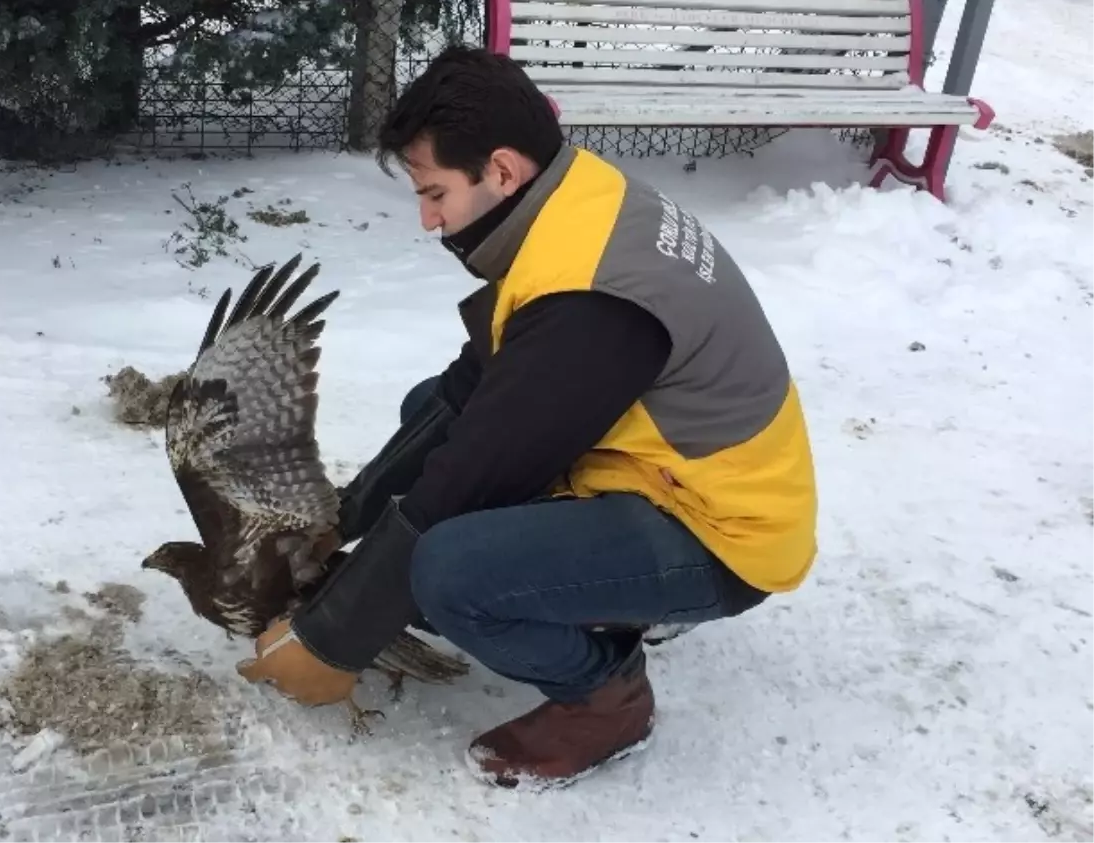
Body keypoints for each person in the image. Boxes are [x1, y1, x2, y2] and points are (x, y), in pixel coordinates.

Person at [236, 45, 819, 790]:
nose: (427, 219)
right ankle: (599, 599)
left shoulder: (593, 304)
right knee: (430, 412)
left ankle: (606, 699)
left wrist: (330, 638)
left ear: (502, 171)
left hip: (720, 532)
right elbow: (471, 389)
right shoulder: (577, 201)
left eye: (435, 193)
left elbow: (473, 476)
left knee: (449, 569)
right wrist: (343, 518)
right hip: (653, 474)